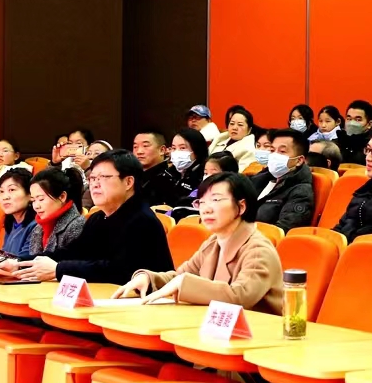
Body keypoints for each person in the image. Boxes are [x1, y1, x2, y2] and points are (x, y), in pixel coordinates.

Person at [113, 172, 283, 313]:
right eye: (201, 202)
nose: (206, 209)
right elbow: (180, 277)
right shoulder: (213, 243)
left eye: (215, 200)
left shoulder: (258, 250)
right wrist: (149, 279)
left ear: (241, 207)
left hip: (258, 334)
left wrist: (184, 283)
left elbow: (240, 297)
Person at [0, 150, 172, 284]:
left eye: (103, 177)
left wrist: (58, 269)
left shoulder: (142, 220)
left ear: (128, 182)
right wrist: (18, 263)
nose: (95, 185)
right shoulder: (98, 218)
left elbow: (120, 271)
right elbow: (73, 253)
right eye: (92, 178)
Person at [249, 129, 314, 231]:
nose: (274, 156)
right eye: (272, 150)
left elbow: (283, 229)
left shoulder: (301, 192)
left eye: (282, 151)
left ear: (299, 160)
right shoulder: (261, 178)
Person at [25, 167, 86, 255]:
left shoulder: (77, 226)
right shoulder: (38, 228)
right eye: (33, 200)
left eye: (41, 199)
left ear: (62, 197)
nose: (36, 206)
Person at [0, 168, 37, 258]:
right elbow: (6, 256)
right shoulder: (11, 223)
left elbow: (22, 261)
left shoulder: (37, 226)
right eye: (1, 191)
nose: (5, 197)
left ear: (30, 194)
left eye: (12, 190)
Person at [166, 129, 209, 207]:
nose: (177, 152)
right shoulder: (168, 173)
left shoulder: (204, 176)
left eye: (182, 148)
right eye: (174, 148)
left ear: (197, 150)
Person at [208, 106, 257, 171]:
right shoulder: (219, 140)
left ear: (249, 130)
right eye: (232, 123)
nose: (234, 128)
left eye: (240, 125)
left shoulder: (248, 150)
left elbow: (240, 173)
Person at [132, 130, 173, 205]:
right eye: (135, 147)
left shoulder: (168, 180)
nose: (139, 151)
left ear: (162, 150)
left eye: (145, 146)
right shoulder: (133, 176)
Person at [340, 100, 372, 165]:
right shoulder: (338, 142)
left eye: (358, 120)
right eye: (349, 119)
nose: (352, 123)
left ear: (369, 124)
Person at [79, 140, 112, 210]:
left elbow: (86, 205)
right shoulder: (79, 173)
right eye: (88, 153)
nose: (91, 157)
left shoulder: (108, 177)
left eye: (97, 153)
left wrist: (88, 168)